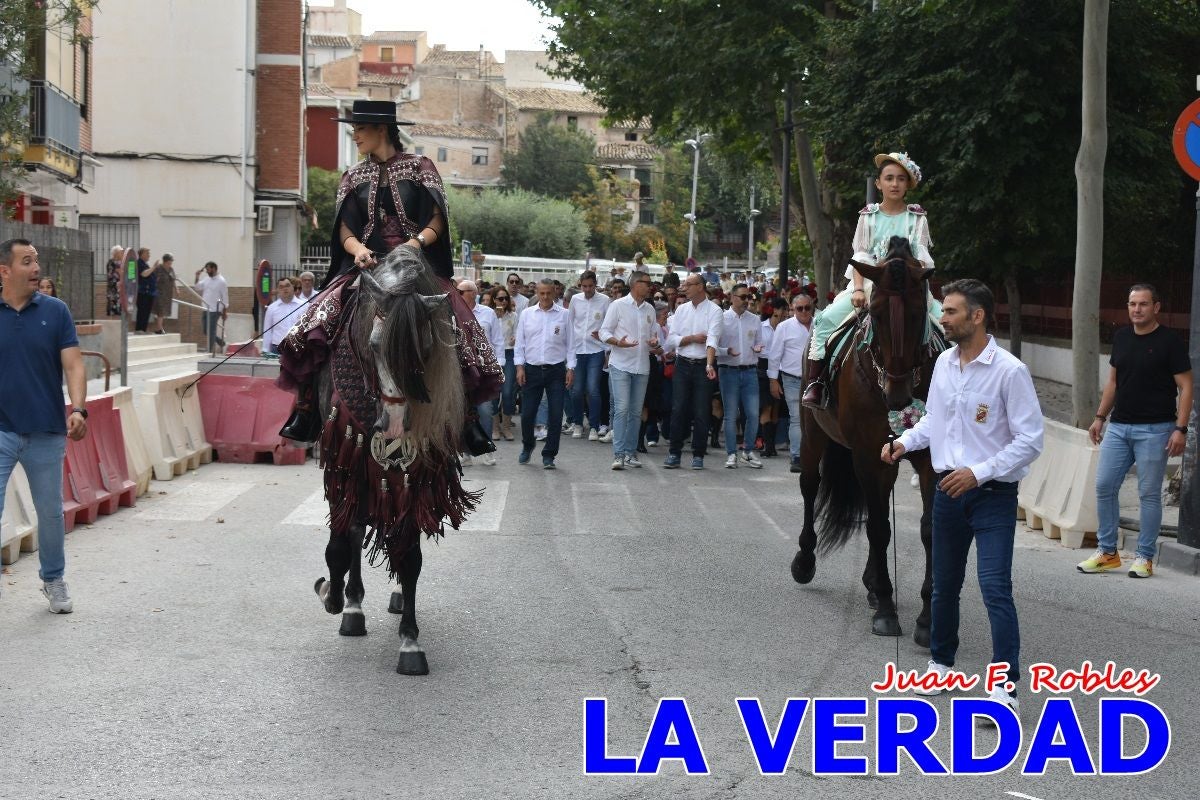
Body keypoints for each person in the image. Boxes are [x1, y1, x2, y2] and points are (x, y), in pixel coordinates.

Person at [275, 99, 501, 446]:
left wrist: (415, 243)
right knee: (316, 320)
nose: (355, 137)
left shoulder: (419, 167)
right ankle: (306, 408)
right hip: (367, 264)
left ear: (382, 130)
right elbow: (345, 230)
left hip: (413, 260)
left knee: (456, 322)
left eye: (360, 130)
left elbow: (437, 218)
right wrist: (359, 250)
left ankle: (467, 417)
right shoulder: (352, 175)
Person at [881, 279, 1043, 716]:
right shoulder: (944, 365)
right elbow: (934, 421)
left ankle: (1004, 686)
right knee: (943, 586)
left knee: (994, 588)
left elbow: (1031, 440)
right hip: (947, 493)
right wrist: (904, 442)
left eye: (950, 311)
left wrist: (979, 472)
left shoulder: (1010, 371)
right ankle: (940, 667)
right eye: (943, 311)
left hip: (992, 495)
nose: (942, 319)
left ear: (977, 316)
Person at [804, 152, 938, 407]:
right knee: (825, 320)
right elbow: (861, 254)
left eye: (901, 179)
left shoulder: (917, 218)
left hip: (911, 286)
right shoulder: (868, 216)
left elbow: (923, 255)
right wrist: (857, 289)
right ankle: (817, 383)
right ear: (878, 184)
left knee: (948, 325)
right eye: (889, 178)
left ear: (908, 184)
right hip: (870, 283)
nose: (895, 184)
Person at [1078, 284, 1192, 578]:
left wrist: (1181, 428)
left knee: (1148, 494)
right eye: (1132, 304)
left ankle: (1144, 557)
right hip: (1119, 427)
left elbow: (1187, 386)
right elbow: (1113, 382)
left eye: (1143, 304)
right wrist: (1100, 417)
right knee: (1104, 486)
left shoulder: (1169, 341)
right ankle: (1107, 552)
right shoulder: (1122, 337)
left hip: (1156, 429)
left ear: (1156, 307)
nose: (1136, 309)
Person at [0, 238, 88, 613]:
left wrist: (80, 409)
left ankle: (53, 580)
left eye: (36, 260)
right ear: (5, 271)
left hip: (46, 431)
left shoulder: (56, 311)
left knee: (50, 512)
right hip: (1, 430)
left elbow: (74, 365)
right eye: (26, 261)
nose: (36, 268)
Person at [663, 273, 722, 470]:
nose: (684, 288)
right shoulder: (681, 310)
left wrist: (709, 364)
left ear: (700, 287)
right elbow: (670, 340)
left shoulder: (714, 310)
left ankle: (698, 454)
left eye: (688, 285)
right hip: (682, 363)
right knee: (678, 409)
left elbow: (712, 339)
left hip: (702, 364)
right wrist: (691, 338)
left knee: (701, 411)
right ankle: (674, 452)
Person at [514, 279, 575, 469]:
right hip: (531, 369)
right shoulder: (526, 314)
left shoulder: (564, 315)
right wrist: (519, 367)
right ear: (537, 294)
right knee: (527, 414)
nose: (546, 297)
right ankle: (528, 445)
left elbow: (571, 344)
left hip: (556, 370)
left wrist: (570, 368)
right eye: (542, 293)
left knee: (556, 415)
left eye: (549, 293)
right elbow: (520, 343)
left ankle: (549, 454)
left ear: (555, 293)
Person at [599, 270, 656, 470]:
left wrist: (655, 342)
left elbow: (654, 337)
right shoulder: (618, 305)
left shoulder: (650, 309)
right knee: (622, 409)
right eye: (647, 283)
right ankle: (619, 454)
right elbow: (604, 332)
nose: (650, 286)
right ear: (635, 284)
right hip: (621, 365)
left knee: (635, 412)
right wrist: (617, 342)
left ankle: (631, 453)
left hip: (642, 366)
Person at [717, 283, 764, 469]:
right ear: (732, 297)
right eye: (743, 297)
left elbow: (759, 342)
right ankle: (731, 453)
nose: (747, 300)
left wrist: (758, 348)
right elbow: (712, 346)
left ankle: (747, 451)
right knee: (730, 415)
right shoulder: (721, 318)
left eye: (749, 297)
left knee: (753, 414)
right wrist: (725, 350)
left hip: (750, 371)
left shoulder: (754, 319)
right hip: (728, 371)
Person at [459, 279, 503, 466]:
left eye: (461, 292)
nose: (457, 296)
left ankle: (487, 448)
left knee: (485, 410)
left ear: (472, 293)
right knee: (462, 412)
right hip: (462, 370)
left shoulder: (488, 313)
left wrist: (499, 366)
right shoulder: (453, 313)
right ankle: (465, 451)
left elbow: (498, 341)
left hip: (485, 369)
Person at [768, 296, 813, 472]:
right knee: (796, 417)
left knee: (815, 418)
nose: (803, 312)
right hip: (792, 378)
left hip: (815, 378)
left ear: (812, 307)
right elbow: (774, 355)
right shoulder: (784, 327)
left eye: (807, 308)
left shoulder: (819, 324)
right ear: (793, 309)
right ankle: (797, 456)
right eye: (799, 308)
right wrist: (773, 380)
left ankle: (814, 454)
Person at [566, 270, 611, 439]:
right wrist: (568, 352)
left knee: (593, 389)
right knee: (577, 390)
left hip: (596, 349)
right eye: (584, 286)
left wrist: (607, 349)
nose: (587, 289)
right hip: (577, 350)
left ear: (595, 284)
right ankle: (578, 423)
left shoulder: (605, 300)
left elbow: (609, 325)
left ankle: (594, 425)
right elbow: (570, 324)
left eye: (590, 286)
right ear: (580, 285)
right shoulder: (575, 300)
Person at [757, 297, 789, 457]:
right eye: (780, 310)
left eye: (785, 311)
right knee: (766, 406)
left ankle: (772, 445)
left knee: (776, 407)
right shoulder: (761, 326)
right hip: (763, 367)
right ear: (774, 310)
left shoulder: (785, 328)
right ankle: (766, 445)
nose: (783, 314)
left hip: (781, 367)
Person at [488, 285, 519, 441]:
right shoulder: (489, 315)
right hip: (492, 356)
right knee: (493, 393)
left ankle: (506, 427)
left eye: (506, 298)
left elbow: (519, 334)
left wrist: (516, 338)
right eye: (500, 298)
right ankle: (495, 428)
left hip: (509, 354)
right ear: (494, 300)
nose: (504, 301)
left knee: (508, 392)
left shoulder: (513, 316)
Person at [261, 277, 305, 354]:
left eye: (287, 285)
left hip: (298, 348)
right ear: (278, 290)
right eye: (281, 287)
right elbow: (267, 331)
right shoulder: (271, 308)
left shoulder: (304, 306)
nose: (285, 289)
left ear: (292, 287)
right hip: (277, 349)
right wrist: (265, 350)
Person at [194, 261, 229, 349]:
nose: (207, 271)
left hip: (215, 310)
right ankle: (220, 342)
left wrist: (225, 312)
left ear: (214, 269)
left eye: (208, 269)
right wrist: (197, 276)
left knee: (211, 330)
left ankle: (209, 351)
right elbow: (197, 287)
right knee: (206, 331)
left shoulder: (222, 281)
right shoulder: (207, 279)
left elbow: (225, 298)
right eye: (206, 270)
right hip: (205, 308)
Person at [151, 252, 176, 334]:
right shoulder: (158, 268)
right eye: (169, 261)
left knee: (164, 311)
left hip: (168, 293)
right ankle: (159, 328)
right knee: (160, 311)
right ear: (165, 261)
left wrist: (176, 289)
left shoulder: (171, 269)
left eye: (171, 261)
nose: (171, 263)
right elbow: (153, 279)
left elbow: (173, 280)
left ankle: (160, 328)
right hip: (159, 292)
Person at [133, 247, 156, 333]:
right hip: (142, 292)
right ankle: (139, 329)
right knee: (142, 310)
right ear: (142, 254)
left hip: (149, 292)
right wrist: (154, 267)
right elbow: (144, 274)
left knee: (147, 311)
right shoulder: (139, 263)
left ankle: (143, 329)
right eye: (147, 253)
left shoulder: (146, 265)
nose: (149, 255)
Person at [105, 245, 123, 316]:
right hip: (113, 287)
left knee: (119, 305)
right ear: (115, 253)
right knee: (113, 304)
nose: (121, 253)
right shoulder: (111, 262)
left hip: (120, 287)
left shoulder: (121, 262)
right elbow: (110, 275)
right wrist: (119, 272)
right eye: (120, 252)